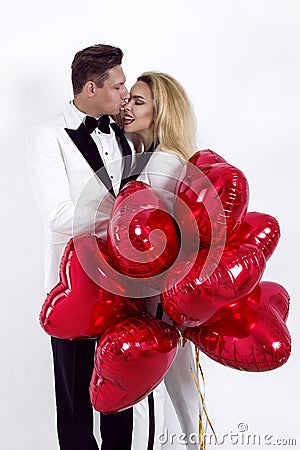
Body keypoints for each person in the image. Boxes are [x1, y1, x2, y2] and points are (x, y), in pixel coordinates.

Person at [26, 45, 163, 450]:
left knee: (120, 393)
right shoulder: (45, 135)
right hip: (74, 288)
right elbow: (58, 216)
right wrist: (125, 213)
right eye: (118, 85)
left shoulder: (124, 132)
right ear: (91, 88)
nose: (125, 93)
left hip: (125, 283)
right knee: (75, 402)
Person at [122, 72, 200, 449]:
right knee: (176, 389)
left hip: (159, 294)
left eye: (139, 101)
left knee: (165, 391)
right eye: (129, 99)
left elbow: (170, 236)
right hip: (162, 294)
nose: (128, 106)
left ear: (161, 112)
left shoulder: (161, 163)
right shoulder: (147, 158)